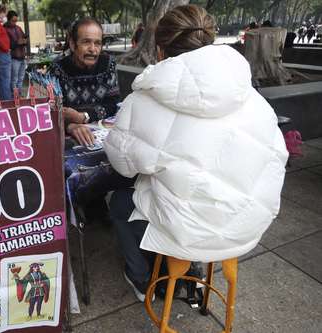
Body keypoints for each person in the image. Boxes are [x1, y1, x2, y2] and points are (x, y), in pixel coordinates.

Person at [104, 4, 288, 302]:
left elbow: (121, 163)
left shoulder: (144, 98)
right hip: (248, 225)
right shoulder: (250, 94)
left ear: (160, 50)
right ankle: (194, 272)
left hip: (189, 232)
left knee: (120, 204)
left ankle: (140, 279)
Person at [48, 17, 121, 147]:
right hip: (71, 139)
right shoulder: (57, 69)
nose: (93, 49)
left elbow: (113, 104)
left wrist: (83, 117)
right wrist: (70, 126)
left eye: (97, 43)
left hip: (102, 136)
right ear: (72, 44)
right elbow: (51, 112)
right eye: (86, 42)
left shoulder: (108, 65)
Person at [4, 10, 27, 96]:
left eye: (16, 20)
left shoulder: (18, 28)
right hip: (14, 58)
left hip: (22, 57)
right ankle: (14, 96)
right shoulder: (5, 29)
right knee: (14, 79)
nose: (15, 23)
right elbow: (7, 45)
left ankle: (19, 95)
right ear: (8, 19)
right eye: (13, 21)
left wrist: (25, 41)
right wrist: (17, 42)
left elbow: (24, 40)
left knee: (21, 78)